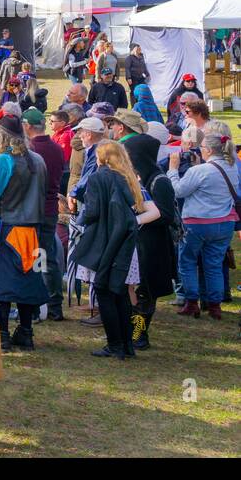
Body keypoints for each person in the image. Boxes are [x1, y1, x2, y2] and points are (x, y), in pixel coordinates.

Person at [72, 143, 158, 358]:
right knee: (119, 292)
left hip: (104, 241)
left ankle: (115, 344)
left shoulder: (98, 178)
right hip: (126, 243)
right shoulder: (129, 178)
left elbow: (92, 212)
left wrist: (78, 219)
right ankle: (127, 345)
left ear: (102, 158)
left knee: (105, 291)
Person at [0, 114, 49, 352]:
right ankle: (26, 332)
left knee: (2, 284)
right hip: (34, 230)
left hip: (7, 229)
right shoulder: (38, 160)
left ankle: (2, 334)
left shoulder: (2, 162)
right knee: (29, 282)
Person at [168, 133, 236, 321]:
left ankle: (192, 303)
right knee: (213, 264)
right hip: (224, 222)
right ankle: (214, 305)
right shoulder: (231, 168)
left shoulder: (199, 171)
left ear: (208, 150)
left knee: (188, 262)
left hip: (197, 223)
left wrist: (172, 170)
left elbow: (178, 191)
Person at [123, 130, 179, 349]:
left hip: (153, 246)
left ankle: (139, 334)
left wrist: (139, 217)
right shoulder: (138, 177)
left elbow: (166, 215)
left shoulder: (160, 181)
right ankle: (131, 330)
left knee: (146, 293)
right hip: (137, 243)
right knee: (132, 289)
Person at [23, 108, 67, 320]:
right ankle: (54, 305)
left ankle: (35, 305)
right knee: (48, 258)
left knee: (33, 258)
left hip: (34, 211)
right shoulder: (56, 148)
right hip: (50, 209)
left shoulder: (30, 150)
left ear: (28, 126)